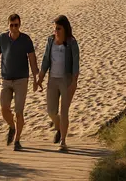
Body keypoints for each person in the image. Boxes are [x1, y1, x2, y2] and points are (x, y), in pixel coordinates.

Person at [0, 14, 39, 151]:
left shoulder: (26, 39)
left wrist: (36, 78)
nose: (14, 28)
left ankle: (17, 140)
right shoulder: (2, 38)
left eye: (16, 25)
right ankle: (12, 126)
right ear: (8, 25)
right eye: (11, 25)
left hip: (21, 80)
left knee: (19, 112)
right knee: (4, 109)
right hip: (5, 80)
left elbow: (33, 60)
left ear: (20, 25)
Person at [37, 15, 80, 153]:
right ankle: (59, 127)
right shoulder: (50, 40)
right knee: (51, 111)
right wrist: (40, 78)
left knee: (64, 110)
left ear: (65, 29)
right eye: (55, 28)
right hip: (52, 80)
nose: (56, 31)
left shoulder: (72, 42)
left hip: (66, 80)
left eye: (59, 28)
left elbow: (76, 63)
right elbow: (45, 59)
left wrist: (74, 82)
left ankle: (63, 141)